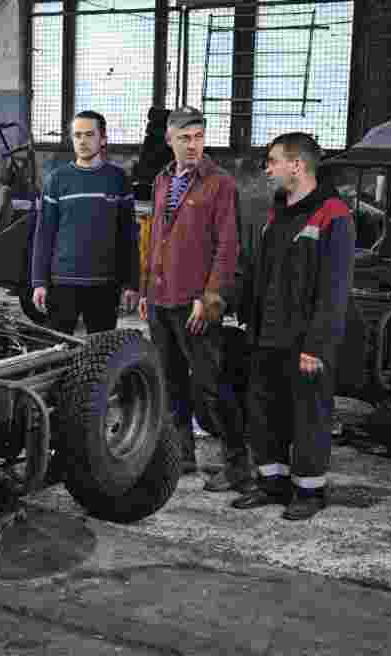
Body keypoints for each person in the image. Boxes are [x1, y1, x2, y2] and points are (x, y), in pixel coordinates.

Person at [230, 132, 354, 521]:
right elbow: (261, 273)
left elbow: (335, 290)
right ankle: (273, 484)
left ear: (296, 165)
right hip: (267, 334)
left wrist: (317, 345)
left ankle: (309, 491)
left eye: (273, 161)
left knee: (308, 415)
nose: (268, 169)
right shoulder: (277, 211)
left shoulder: (333, 214)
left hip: (305, 341)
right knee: (266, 411)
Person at [138, 106, 248, 482]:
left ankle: (237, 463)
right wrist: (145, 289)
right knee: (170, 382)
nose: (192, 145)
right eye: (184, 138)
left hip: (195, 303)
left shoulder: (221, 184)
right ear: (169, 140)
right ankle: (181, 455)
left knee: (212, 383)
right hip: (160, 298)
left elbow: (228, 247)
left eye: (198, 137)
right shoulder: (162, 180)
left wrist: (211, 296)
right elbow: (155, 239)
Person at [31, 110, 139, 335]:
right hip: (62, 283)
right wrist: (39, 281)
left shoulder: (118, 180)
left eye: (89, 135)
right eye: (77, 135)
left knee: (100, 353)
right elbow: (44, 235)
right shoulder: (57, 180)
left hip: (105, 284)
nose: (82, 141)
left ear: (103, 139)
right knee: (58, 350)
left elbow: (128, 236)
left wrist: (130, 284)